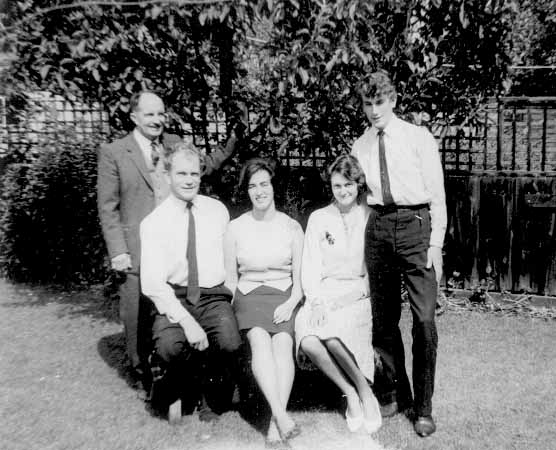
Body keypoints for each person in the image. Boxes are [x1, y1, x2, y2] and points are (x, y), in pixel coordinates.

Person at [97, 91, 241, 388]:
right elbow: (107, 206)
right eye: (149, 114)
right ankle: (145, 376)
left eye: (161, 113)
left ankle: (181, 373)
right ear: (134, 116)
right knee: (137, 315)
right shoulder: (115, 152)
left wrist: (232, 143)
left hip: (179, 236)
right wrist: (118, 251)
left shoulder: (173, 144)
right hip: (138, 245)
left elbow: (203, 165)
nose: (156, 120)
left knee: (172, 316)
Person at [351, 70, 447, 437]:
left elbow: (437, 194)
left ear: (392, 100)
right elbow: (359, 197)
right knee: (384, 319)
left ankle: (423, 407)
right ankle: (395, 391)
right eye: (367, 103)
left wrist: (435, 243)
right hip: (378, 227)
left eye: (380, 102)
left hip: (415, 226)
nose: (374, 110)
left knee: (423, 319)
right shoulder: (360, 145)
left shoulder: (417, 137)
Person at [140, 141, 241, 421]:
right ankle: (176, 385)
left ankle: (209, 391)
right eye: (182, 174)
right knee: (170, 346)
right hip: (177, 296)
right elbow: (152, 284)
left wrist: (229, 294)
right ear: (168, 175)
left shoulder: (216, 210)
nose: (189, 180)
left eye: (194, 174)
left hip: (212, 296)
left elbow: (229, 258)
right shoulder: (154, 223)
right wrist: (187, 321)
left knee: (230, 342)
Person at [295, 154, 382, 435]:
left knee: (332, 336)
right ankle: (350, 392)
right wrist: (317, 301)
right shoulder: (319, 218)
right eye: (336, 186)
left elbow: (373, 272)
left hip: (357, 294)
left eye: (347, 185)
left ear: (358, 185)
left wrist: (349, 297)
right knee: (308, 338)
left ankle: (365, 392)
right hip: (323, 291)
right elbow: (310, 265)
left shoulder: (371, 217)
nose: (342, 191)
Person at [224, 158, 304, 447]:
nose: (259, 191)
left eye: (264, 184)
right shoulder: (235, 228)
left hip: (283, 295)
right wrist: (229, 308)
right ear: (246, 191)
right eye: (252, 186)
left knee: (282, 343)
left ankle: (275, 419)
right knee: (259, 340)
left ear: (273, 186)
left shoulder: (292, 227)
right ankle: (282, 417)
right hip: (248, 295)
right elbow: (231, 279)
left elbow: (300, 279)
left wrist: (292, 302)